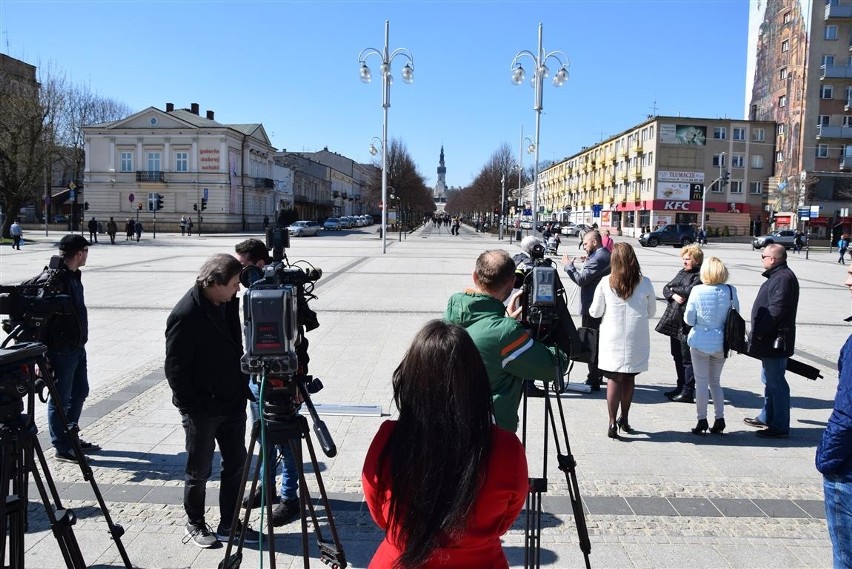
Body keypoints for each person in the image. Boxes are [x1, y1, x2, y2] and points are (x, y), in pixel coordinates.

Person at [362, 320, 528, 568]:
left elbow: (378, 510)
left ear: (410, 379)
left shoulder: (389, 438)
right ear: (476, 381)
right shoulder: (506, 447)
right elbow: (504, 519)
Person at [165, 254, 259, 548]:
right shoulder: (185, 314)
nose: (237, 290)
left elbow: (235, 342)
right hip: (203, 409)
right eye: (233, 285)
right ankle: (194, 523)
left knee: (236, 465)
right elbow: (175, 369)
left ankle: (229, 522)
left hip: (232, 401)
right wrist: (191, 407)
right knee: (199, 470)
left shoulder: (227, 302)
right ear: (214, 283)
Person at [444, 249, 567, 432]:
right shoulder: (506, 334)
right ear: (511, 285)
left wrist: (505, 319)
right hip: (489, 433)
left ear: (475, 277)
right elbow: (555, 366)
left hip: (450, 422)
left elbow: (484, 336)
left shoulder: (451, 313)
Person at [233, 238, 301, 527]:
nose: (238, 273)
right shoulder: (250, 293)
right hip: (255, 376)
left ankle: (289, 498)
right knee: (262, 437)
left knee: (286, 441)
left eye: (242, 266)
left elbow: (299, 340)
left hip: (283, 377)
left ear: (260, 264)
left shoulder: (286, 293)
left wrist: (297, 381)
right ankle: (267, 488)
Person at [589, 243, 656, 439]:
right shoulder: (645, 282)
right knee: (629, 378)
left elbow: (595, 311)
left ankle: (611, 421)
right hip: (637, 336)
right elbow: (651, 312)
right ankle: (624, 418)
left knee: (613, 378)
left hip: (613, 336)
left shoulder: (605, 282)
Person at [46, 235, 101, 462]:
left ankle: (71, 435)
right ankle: (62, 446)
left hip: (77, 347)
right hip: (62, 350)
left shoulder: (74, 276)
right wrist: (45, 356)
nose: (87, 254)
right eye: (86, 250)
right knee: (60, 397)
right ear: (79, 253)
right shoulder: (55, 280)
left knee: (80, 392)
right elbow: (45, 321)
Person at [815, 264, 852, 569]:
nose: (846, 279)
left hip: (848, 468)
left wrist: (827, 460)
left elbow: (847, 413)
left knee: (845, 557)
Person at [745, 244, 800, 438]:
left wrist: (759, 332)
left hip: (774, 340)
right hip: (770, 339)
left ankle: (779, 425)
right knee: (768, 380)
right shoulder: (779, 276)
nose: (761, 259)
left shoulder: (783, 278)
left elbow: (776, 310)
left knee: (776, 384)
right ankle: (766, 416)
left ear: (772, 259)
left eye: (763, 256)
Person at [683, 257, 738, 435]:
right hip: (721, 342)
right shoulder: (730, 290)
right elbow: (735, 314)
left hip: (700, 340)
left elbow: (689, 318)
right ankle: (720, 418)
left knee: (701, 382)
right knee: (715, 382)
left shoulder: (697, 290)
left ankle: (701, 419)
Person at [562, 229, 612, 391]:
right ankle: (598, 374)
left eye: (585, 243)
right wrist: (588, 259)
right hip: (600, 305)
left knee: (592, 342)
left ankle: (593, 378)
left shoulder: (598, 258)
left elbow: (581, 280)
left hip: (592, 307)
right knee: (599, 341)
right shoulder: (603, 255)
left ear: (594, 242)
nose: (583, 247)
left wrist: (569, 267)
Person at [656, 245, 703, 403]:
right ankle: (680, 385)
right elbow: (665, 288)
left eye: (688, 259)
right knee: (676, 355)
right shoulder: (682, 272)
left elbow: (690, 291)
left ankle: (688, 391)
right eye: (683, 258)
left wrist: (674, 290)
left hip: (687, 323)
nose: (684, 261)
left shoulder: (700, 275)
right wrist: (674, 295)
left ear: (696, 260)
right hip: (674, 321)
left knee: (687, 358)